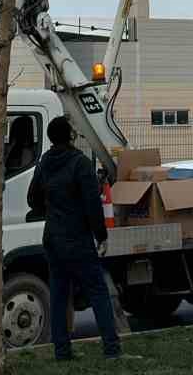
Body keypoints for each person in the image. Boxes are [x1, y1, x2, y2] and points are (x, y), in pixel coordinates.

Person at [26, 117, 121, 360]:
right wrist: (100, 235)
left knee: (58, 295)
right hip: (77, 238)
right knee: (98, 291)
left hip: (53, 238)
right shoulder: (79, 163)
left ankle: (62, 351)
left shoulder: (45, 162)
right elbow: (92, 204)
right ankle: (111, 349)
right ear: (69, 136)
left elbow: (32, 198)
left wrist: (49, 210)